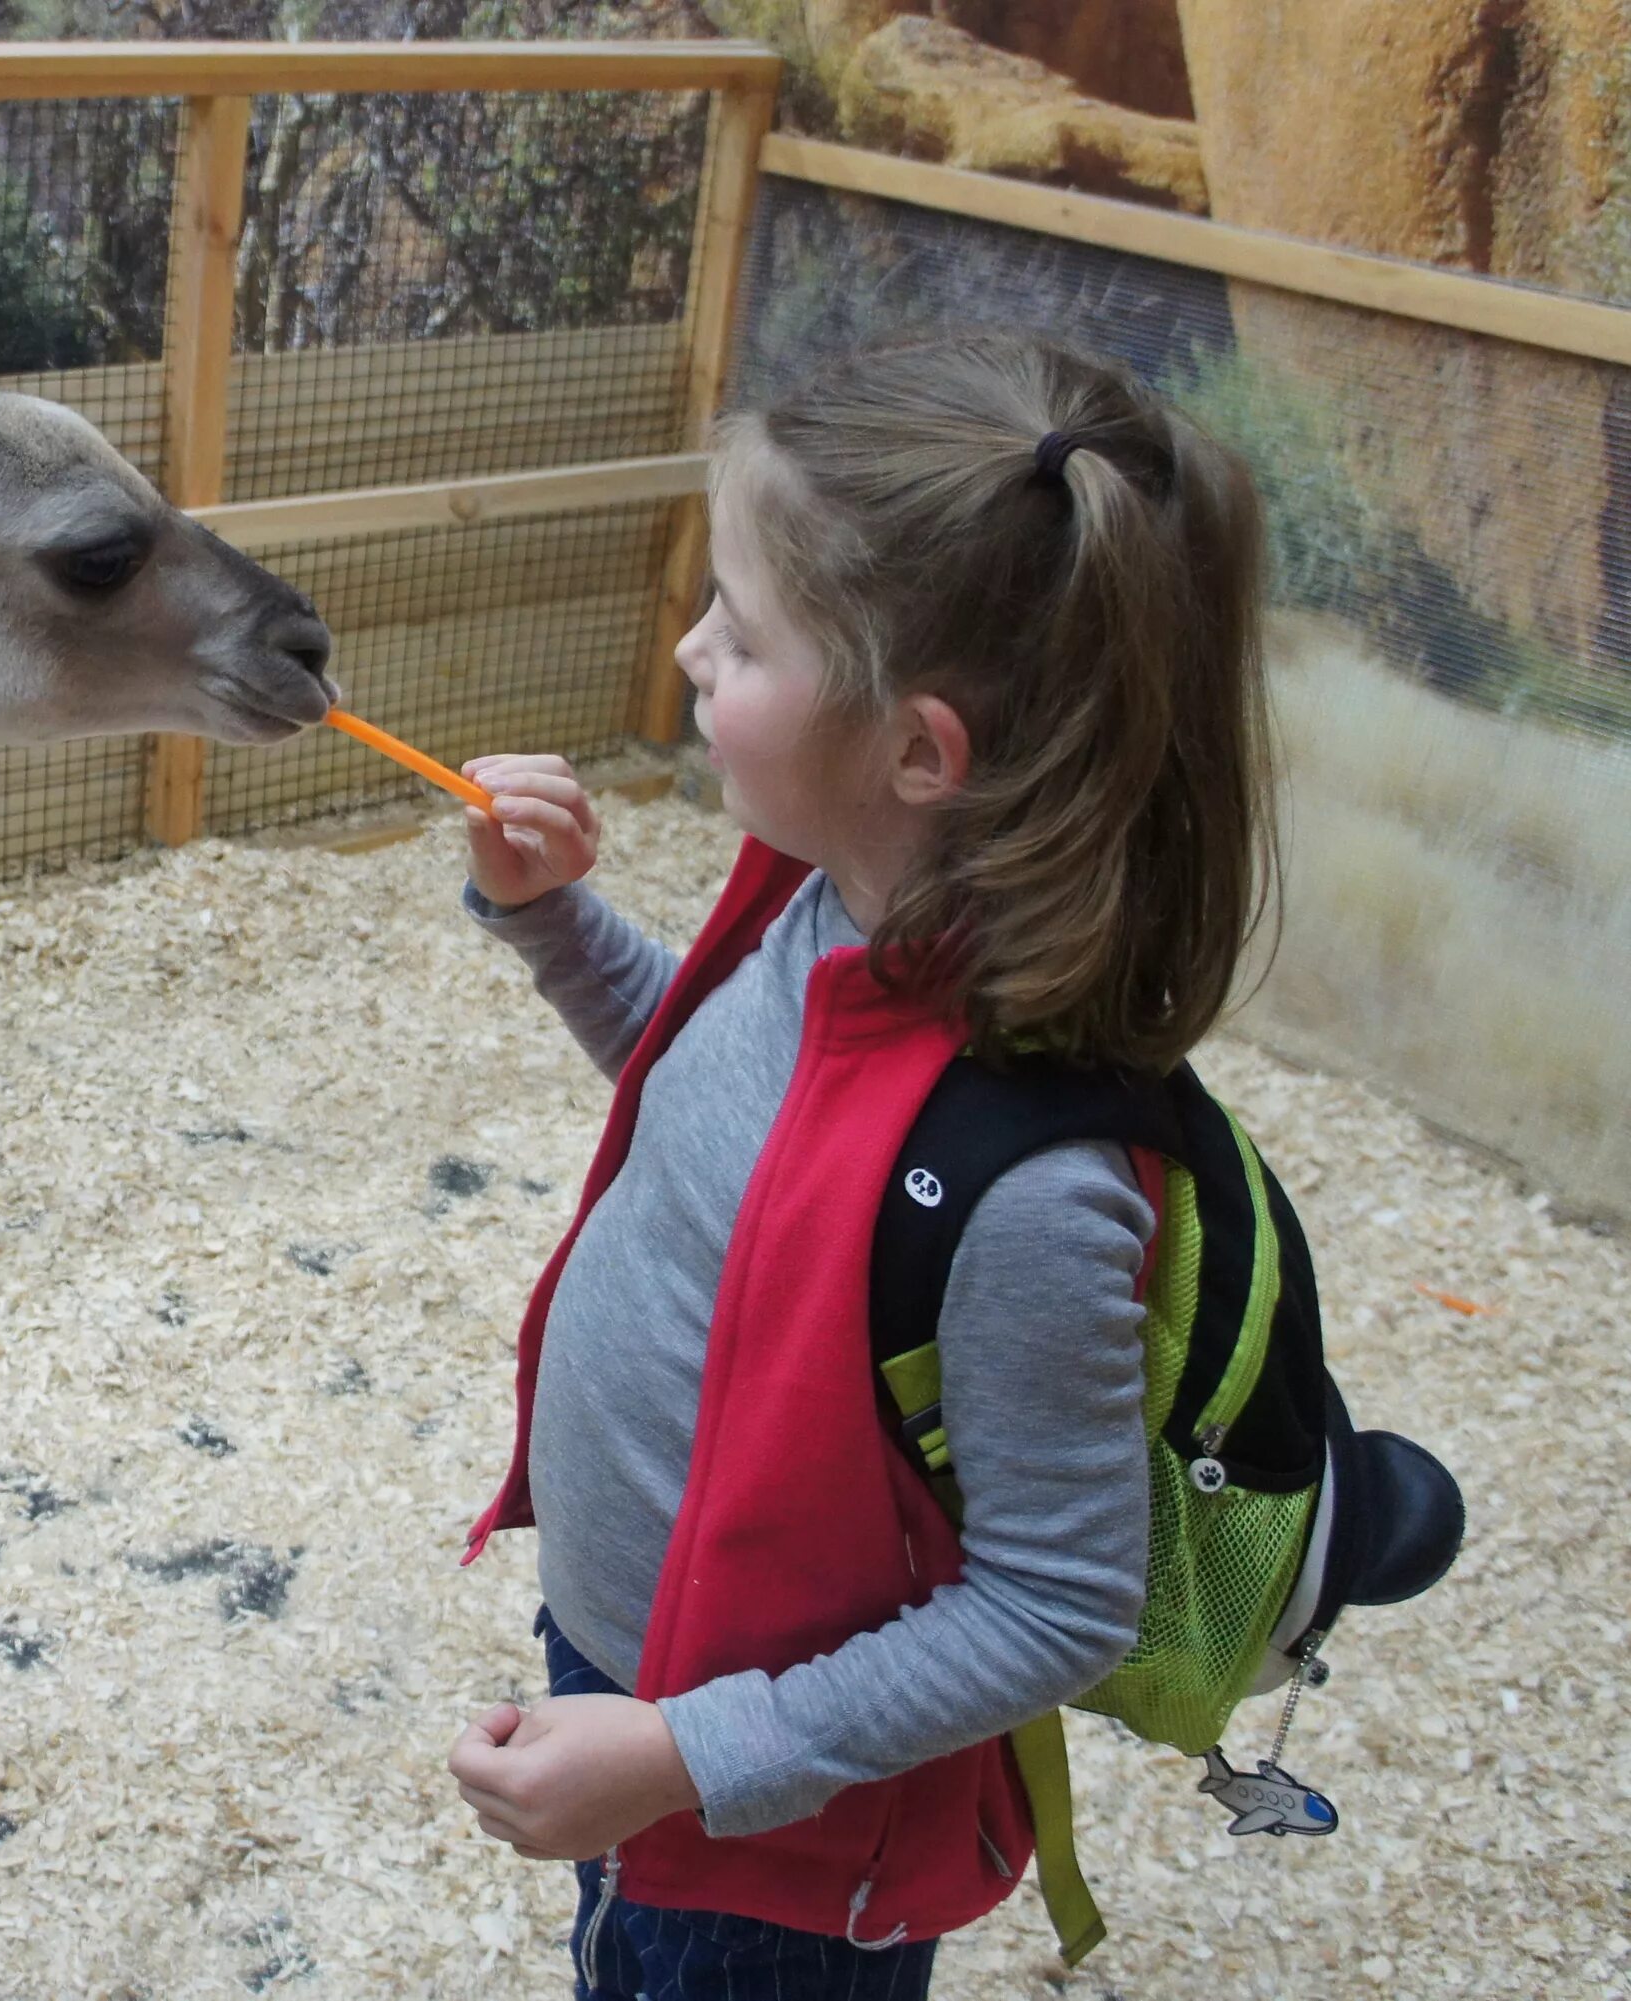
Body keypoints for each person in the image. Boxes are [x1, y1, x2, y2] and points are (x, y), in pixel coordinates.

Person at [441, 330, 1276, 1999]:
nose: (688, 646)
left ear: (919, 752)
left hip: (772, 1823)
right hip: (645, 1675)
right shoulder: (840, 900)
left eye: (740, 632)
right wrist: (550, 925)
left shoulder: (1034, 1186)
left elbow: (1056, 1607)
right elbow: (726, 1119)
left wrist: (683, 1754)